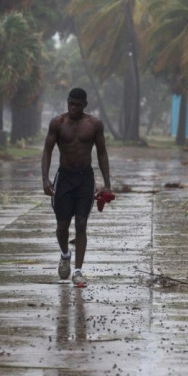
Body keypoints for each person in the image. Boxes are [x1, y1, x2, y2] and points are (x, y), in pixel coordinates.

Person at [41, 87, 112, 287]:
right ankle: (65, 254)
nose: (72, 108)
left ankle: (78, 271)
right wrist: (45, 179)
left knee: (81, 223)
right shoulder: (58, 123)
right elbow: (47, 151)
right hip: (64, 178)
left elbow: (102, 153)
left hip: (85, 179)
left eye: (77, 105)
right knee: (62, 226)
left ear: (84, 105)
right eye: (70, 103)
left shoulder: (94, 124)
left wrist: (107, 184)